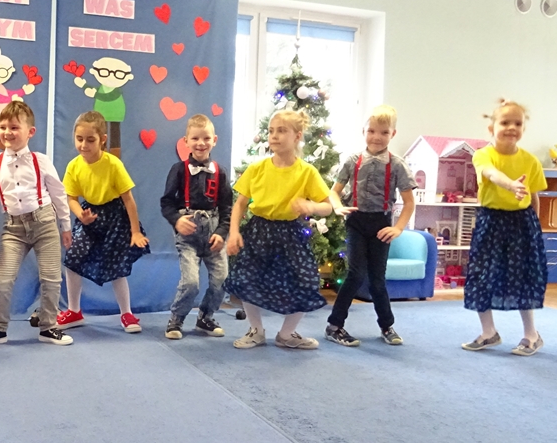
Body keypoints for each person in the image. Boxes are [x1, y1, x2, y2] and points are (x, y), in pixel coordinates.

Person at [225, 110, 331, 350]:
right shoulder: (257, 168)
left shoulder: (306, 172)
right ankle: (256, 330)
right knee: (248, 279)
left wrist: (312, 206)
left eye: (282, 131)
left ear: (297, 136)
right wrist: (234, 232)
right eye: (271, 131)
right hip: (259, 230)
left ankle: (286, 334)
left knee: (306, 281)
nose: (274, 136)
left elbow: (327, 206)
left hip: (291, 233)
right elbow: (240, 204)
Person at [0, 101, 74, 347]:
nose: (7, 132)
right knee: (2, 280)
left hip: (44, 223)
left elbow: (58, 193)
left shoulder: (41, 161)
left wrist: (66, 226)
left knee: (51, 278)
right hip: (13, 228)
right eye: (3, 127)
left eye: (14, 127)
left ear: (30, 132)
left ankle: (49, 327)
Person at [325, 105, 417, 346]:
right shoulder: (352, 161)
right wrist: (338, 207)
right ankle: (334, 325)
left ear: (393, 134)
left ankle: (387, 326)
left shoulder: (397, 165)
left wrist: (398, 228)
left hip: (381, 225)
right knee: (355, 274)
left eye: (384, 132)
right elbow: (333, 192)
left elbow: (409, 202)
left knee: (377, 279)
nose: (377, 137)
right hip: (356, 221)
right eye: (372, 131)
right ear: (363, 131)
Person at [461, 99, 547, 356]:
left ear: (523, 128)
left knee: (523, 277)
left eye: (517, 123)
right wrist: (510, 184)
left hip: (522, 223)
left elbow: (534, 196)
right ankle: (489, 332)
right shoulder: (483, 154)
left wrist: (535, 228)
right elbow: (490, 173)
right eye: (505, 122)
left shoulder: (530, 161)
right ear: (491, 128)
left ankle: (531, 335)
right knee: (481, 275)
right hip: (491, 221)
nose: (512, 127)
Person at [57, 111, 150, 333]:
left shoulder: (113, 164)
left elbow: (128, 200)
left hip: (115, 216)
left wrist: (135, 232)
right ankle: (74, 311)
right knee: (73, 258)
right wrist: (81, 215)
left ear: (102, 139)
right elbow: (71, 198)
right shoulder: (74, 166)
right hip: (90, 215)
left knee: (116, 266)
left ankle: (126, 313)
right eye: (79, 139)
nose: (83, 145)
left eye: (90, 140)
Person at [160, 114, 233, 339]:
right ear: (186, 141)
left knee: (221, 279)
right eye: (195, 138)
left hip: (213, 234)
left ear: (214, 140)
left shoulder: (220, 172)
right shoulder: (179, 170)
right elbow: (166, 202)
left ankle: (205, 317)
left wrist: (221, 233)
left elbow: (227, 207)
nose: (201, 143)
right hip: (189, 235)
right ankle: (177, 318)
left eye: (206, 138)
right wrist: (177, 220)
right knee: (191, 282)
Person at [0, 44, 35, 149]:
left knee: (0, 125)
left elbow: (8, 93)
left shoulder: (1, 87)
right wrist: (11, 99)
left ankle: (0, 143)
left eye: (2, 72)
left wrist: (23, 91)